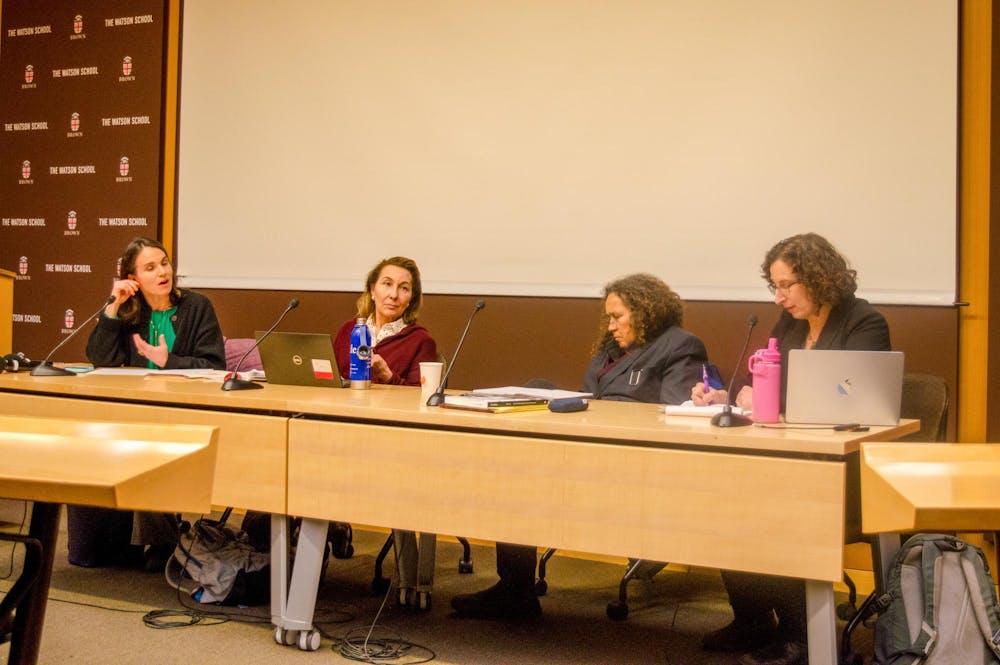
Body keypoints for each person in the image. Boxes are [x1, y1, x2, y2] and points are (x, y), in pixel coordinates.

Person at [450, 273, 708, 619]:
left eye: (618, 317)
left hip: (635, 465)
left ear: (646, 311)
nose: (611, 325)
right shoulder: (610, 349)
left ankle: (517, 593)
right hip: (587, 450)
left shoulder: (680, 345)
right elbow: (593, 397)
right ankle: (515, 590)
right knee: (516, 472)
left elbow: (675, 418)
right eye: (608, 317)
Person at [691, 232, 890, 665]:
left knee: (774, 513)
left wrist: (772, 399)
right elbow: (767, 382)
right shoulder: (790, 324)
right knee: (726, 501)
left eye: (786, 286)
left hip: (847, 471)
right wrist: (729, 397)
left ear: (818, 278)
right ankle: (753, 621)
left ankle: (803, 638)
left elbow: (851, 397)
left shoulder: (864, 323)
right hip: (790, 457)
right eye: (774, 286)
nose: (779, 298)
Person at [84, 236, 226, 571]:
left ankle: (162, 541)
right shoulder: (132, 312)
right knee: (134, 443)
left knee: (151, 448)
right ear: (132, 278)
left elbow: (214, 365)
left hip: (190, 411)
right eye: (150, 267)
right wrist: (113, 306)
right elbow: (100, 358)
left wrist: (169, 362)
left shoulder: (197, 306)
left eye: (164, 262)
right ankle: (154, 539)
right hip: (140, 410)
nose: (163, 271)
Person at [332, 256, 439, 605]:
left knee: (407, 484)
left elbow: (424, 400)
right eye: (387, 284)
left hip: (395, 441)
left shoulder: (420, 340)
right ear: (372, 289)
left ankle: (413, 583)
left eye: (404, 288)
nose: (393, 294)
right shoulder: (350, 330)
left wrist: (388, 376)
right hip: (341, 432)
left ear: (412, 298)